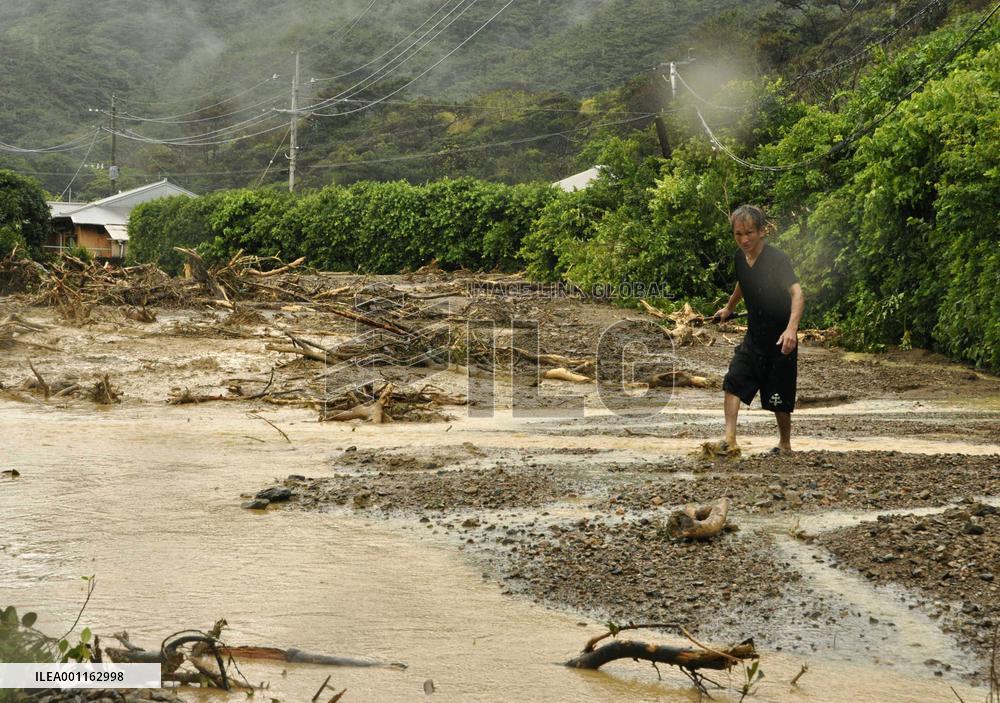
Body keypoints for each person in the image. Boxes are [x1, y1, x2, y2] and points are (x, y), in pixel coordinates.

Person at [713, 205, 804, 454]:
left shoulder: (777, 260)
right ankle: (729, 438)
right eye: (738, 234)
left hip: (779, 340)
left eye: (749, 233)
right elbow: (743, 283)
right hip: (753, 337)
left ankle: (785, 443)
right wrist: (729, 308)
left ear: (762, 231)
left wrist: (791, 330)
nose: (744, 240)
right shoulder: (739, 258)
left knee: (779, 398)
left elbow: (797, 293)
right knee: (733, 381)